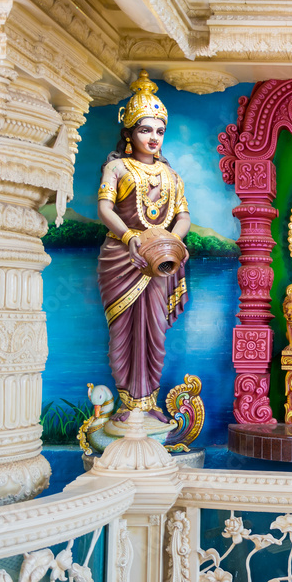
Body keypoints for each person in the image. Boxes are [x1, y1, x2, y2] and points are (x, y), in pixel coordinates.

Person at [95, 70, 190, 428]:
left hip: (158, 261)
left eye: (159, 131)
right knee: (122, 332)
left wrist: (172, 242)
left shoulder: (172, 176)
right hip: (122, 259)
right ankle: (126, 403)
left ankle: (147, 402)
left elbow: (183, 216)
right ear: (129, 133)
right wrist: (130, 238)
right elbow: (104, 209)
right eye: (145, 130)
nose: (153, 137)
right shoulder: (117, 167)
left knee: (154, 330)